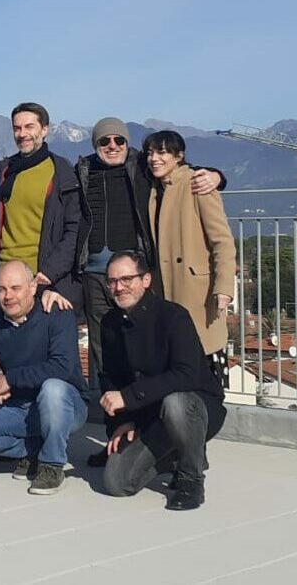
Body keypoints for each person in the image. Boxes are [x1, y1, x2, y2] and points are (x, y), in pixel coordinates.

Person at [76, 117, 224, 465]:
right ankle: (117, 436)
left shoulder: (141, 166)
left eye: (119, 140)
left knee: (153, 352)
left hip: (138, 277)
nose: (112, 146)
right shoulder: (81, 171)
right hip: (95, 277)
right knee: (107, 359)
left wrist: (217, 175)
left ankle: (174, 438)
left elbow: (175, 167)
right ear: (95, 145)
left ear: (127, 143)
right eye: (104, 141)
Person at [98, 251, 227, 510]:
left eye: (126, 279)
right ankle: (176, 454)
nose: (119, 287)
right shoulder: (109, 323)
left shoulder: (173, 316)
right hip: (149, 417)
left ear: (146, 280)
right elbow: (111, 378)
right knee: (116, 481)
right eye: (112, 281)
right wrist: (122, 421)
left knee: (175, 403)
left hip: (195, 409)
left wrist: (128, 398)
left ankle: (191, 479)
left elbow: (186, 375)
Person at [0, 260, 87, 495]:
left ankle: (52, 464)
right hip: (20, 406)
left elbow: (62, 367)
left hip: (65, 405)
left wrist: (9, 379)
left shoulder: (56, 313)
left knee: (52, 389)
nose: (8, 296)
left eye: (15, 288)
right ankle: (33, 449)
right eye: (2, 289)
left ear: (33, 287)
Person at [143, 130, 237, 376]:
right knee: (176, 359)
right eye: (150, 153)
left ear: (179, 156)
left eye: (162, 152)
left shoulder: (198, 183)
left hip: (197, 290)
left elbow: (222, 241)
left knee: (203, 359)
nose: (154, 159)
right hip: (165, 287)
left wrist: (224, 287)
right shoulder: (155, 188)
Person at [0, 103, 81, 308]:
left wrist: (51, 272)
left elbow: (73, 228)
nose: (22, 134)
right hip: (4, 277)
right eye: (17, 128)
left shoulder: (61, 172)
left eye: (29, 127)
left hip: (41, 277)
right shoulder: (5, 171)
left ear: (44, 130)